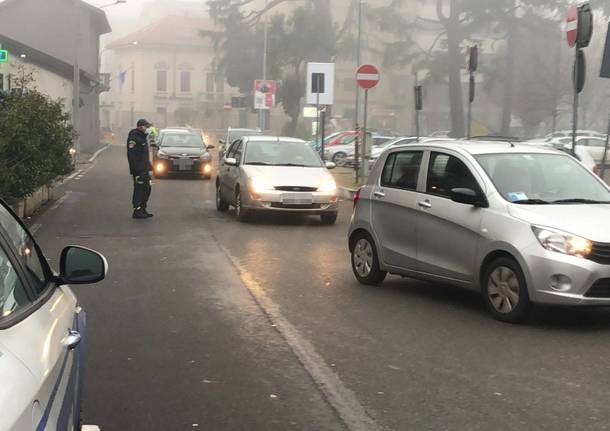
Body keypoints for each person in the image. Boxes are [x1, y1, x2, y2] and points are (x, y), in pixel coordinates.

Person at [127, 119, 154, 219]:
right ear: (140, 127)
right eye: (146, 126)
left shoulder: (143, 138)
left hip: (144, 169)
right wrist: (136, 169)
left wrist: (149, 166)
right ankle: (137, 210)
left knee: (147, 189)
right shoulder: (134, 138)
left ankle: (143, 208)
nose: (148, 128)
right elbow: (131, 155)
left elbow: (144, 155)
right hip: (138, 170)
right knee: (139, 189)